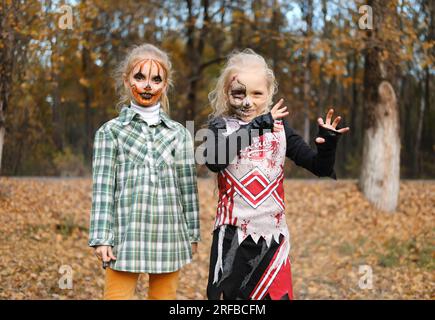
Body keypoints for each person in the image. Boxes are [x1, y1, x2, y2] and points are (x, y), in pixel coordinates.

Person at [203, 49, 350, 300]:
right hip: (232, 239)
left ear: (269, 94)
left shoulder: (281, 129)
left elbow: (319, 167)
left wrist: (328, 144)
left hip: (273, 240)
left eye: (257, 93)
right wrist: (256, 125)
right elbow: (215, 161)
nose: (248, 102)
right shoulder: (220, 126)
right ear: (227, 93)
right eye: (239, 93)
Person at [88, 43, 200, 300]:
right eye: (140, 77)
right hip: (126, 236)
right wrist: (101, 237)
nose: (147, 85)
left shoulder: (179, 134)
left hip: (169, 236)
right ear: (127, 81)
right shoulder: (111, 132)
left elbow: (188, 188)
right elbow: (103, 189)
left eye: (156, 79)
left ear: (164, 85)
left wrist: (192, 233)